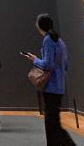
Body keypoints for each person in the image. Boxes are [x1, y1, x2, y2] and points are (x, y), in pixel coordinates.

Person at [26, 14, 76, 145]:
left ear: (40, 26)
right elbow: (65, 64)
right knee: (54, 122)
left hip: (50, 86)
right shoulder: (59, 41)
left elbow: (48, 64)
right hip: (59, 85)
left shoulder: (48, 40)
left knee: (51, 123)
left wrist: (35, 60)